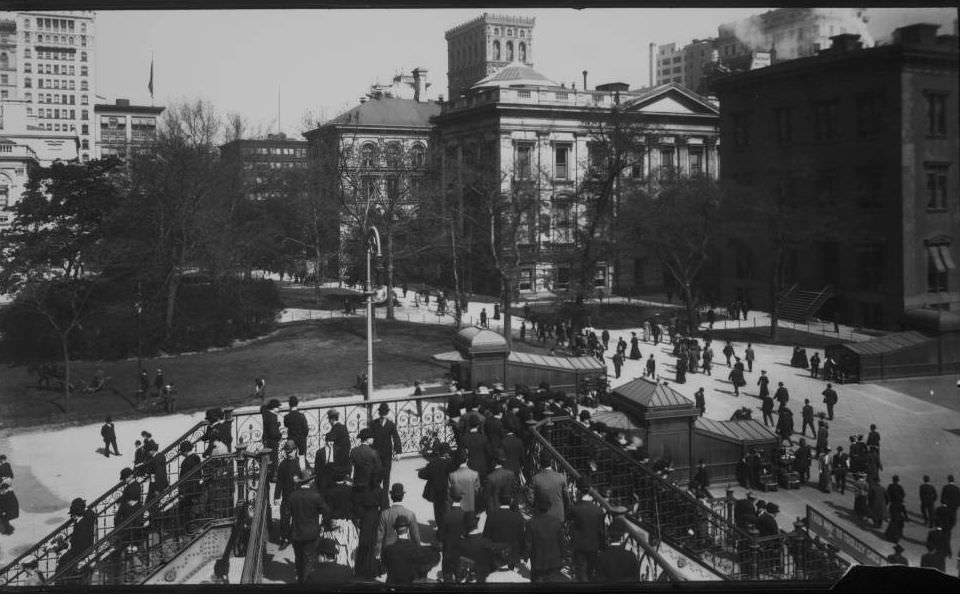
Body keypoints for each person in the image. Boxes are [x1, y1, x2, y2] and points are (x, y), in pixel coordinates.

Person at [288, 476, 330, 584]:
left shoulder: (293, 496)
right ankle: (305, 582)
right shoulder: (315, 496)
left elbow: (287, 513)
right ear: (310, 481)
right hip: (311, 532)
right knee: (309, 558)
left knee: (299, 557)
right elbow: (326, 511)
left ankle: (300, 579)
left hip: (296, 531)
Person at [381, 516, 438, 585]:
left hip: (392, 585)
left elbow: (384, 565)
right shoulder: (416, 549)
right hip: (409, 586)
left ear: (395, 531)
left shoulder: (388, 550)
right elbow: (434, 558)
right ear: (408, 530)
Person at [569, 480, 605, 582]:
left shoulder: (576, 508)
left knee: (581, 571)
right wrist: (602, 546)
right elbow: (601, 531)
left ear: (579, 491)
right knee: (590, 571)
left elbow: (569, 519)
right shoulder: (598, 510)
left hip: (579, 545)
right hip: (594, 545)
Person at [375, 483, 421, 560]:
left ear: (391, 496)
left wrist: (377, 553)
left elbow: (379, 536)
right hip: (405, 549)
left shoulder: (384, 514)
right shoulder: (410, 514)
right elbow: (415, 536)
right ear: (403, 496)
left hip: (388, 551)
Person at [526, 496, 564, 583]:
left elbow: (528, 543)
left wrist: (526, 556)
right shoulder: (557, 522)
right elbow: (561, 542)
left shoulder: (531, 523)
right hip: (554, 561)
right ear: (549, 507)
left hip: (537, 562)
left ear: (537, 507)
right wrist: (562, 556)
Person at [483, 493, 525, 570]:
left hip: (496, 556)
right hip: (513, 556)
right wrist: (522, 554)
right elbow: (521, 537)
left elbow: (486, 537)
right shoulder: (518, 517)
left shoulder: (492, 516)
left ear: (499, 501)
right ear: (510, 501)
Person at [275, 440, 304, 549]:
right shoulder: (283, 465)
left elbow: (307, 477)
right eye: (287, 452)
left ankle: (295, 537)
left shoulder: (301, 462)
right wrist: (277, 496)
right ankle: (285, 539)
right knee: (284, 519)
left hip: (299, 495)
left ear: (296, 450)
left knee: (298, 518)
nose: (289, 454)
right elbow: (279, 482)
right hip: (287, 496)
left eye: (291, 452)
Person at [371, 402, 402, 503]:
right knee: (376, 474)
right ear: (379, 413)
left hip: (387, 454)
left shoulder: (391, 425)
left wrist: (398, 451)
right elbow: (370, 438)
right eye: (381, 413)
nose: (383, 415)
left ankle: (384, 498)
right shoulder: (373, 424)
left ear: (387, 413)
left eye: (385, 413)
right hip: (376, 454)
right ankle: (376, 495)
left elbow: (396, 437)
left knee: (386, 476)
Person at [439, 489, 470, 582]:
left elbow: (441, 534)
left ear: (451, 498)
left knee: (447, 576)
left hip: (448, 549)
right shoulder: (466, 514)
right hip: (461, 550)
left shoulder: (446, 514)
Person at [531, 451, 569, 522]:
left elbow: (532, 500)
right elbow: (567, 500)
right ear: (551, 462)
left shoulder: (536, 479)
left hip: (541, 518)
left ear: (540, 462)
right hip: (558, 517)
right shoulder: (561, 477)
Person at [448, 449, 481, 519]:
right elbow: (477, 492)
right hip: (470, 508)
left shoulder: (452, 475)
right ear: (467, 459)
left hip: (457, 510)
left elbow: (449, 493)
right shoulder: (475, 474)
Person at [283, 397, 309, 468]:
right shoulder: (301, 416)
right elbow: (306, 430)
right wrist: (303, 437)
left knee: (292, 458)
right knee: (302, 458)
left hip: (291, 440)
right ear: (297, 404)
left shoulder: (287, 417)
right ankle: (303, 473)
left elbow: (286, 424)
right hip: (301, 440)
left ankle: (293, 471)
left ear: (289, 405)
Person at [261, 399, 283, 481]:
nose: (279, 409)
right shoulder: (272, 417)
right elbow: (273, 433)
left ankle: (269, 475)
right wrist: (279, 435)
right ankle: (273, 476)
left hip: (267, 441)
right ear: (274, 408)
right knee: (274, 459)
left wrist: (277, 425)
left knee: (269, 459)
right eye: (278, 407)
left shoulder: (266, 413)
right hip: (273, 442)